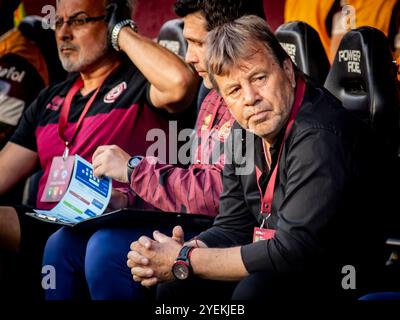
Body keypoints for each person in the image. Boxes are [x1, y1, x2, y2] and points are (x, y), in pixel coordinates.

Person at [128, 15, 385, 300]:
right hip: (282, 261)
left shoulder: (320, 136)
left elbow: (291, 250)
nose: (250, 97)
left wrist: (184, 260)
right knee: (178, 285)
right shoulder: (244, 129)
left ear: (287, 71)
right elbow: (232, 225)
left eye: (259, 78)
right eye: (235, 90)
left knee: (255, 291)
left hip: (344, 274)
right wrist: (188, 250)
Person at [42, 0, 266, 300]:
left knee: (106, 249)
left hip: (231, 233)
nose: (190, 57)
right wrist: (128, 198)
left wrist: (135, 170)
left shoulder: (253, 100)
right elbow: (196, 178)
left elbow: (220, 197)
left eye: (198, 43)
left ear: (235, 37)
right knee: (63, 244)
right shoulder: (212, 95)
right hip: (196, 220)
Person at [0, 0, 197, 299]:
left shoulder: (138, 81)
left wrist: (122, 31)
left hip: (116, 222)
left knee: (72, 244)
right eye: (59, 21)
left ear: (111, 21)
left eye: (78, 20)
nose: (64, 33)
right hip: (51, 220)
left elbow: (181, 83)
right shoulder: (50, 98)